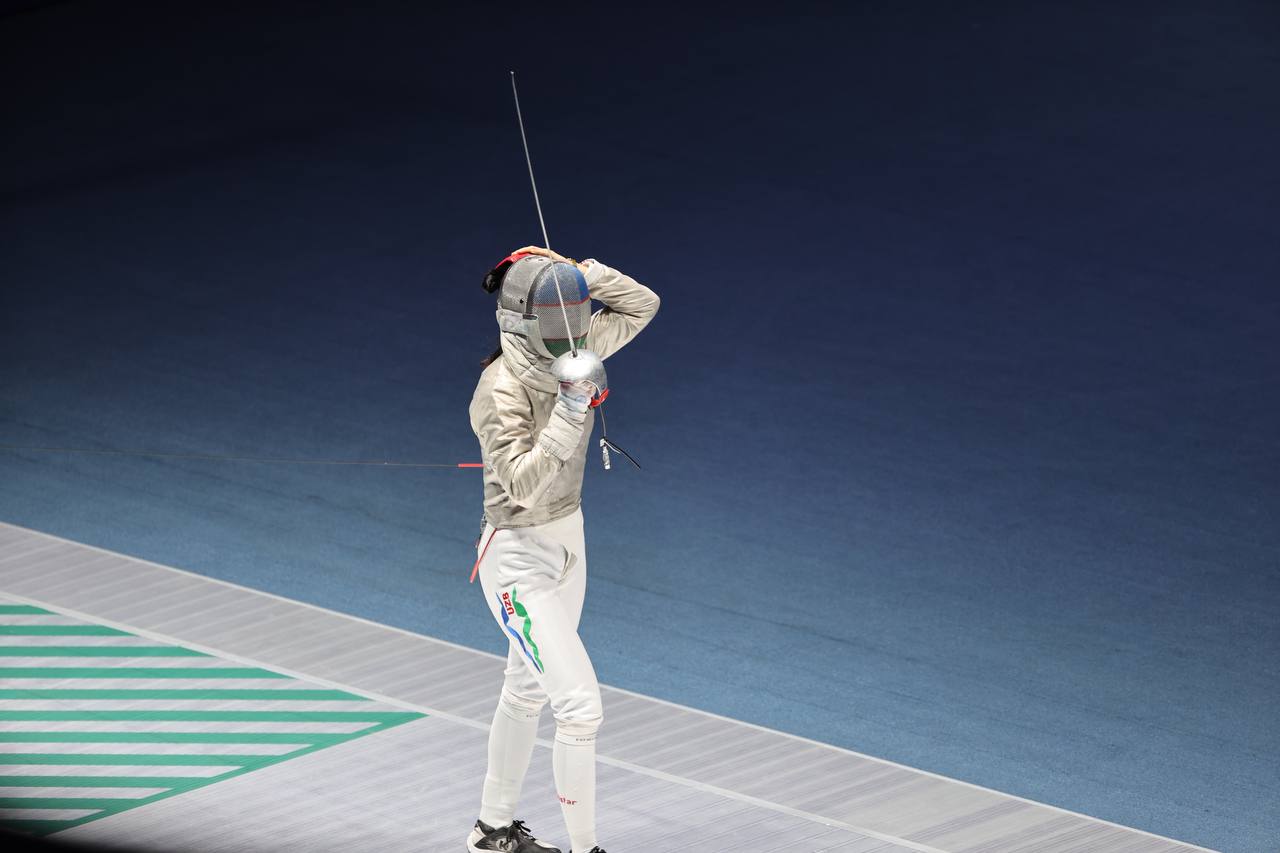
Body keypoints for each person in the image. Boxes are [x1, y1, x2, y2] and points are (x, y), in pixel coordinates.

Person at [466, 245, 659, 853]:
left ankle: (492, 834)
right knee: (579, 707)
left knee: (526, 689)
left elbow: (642, 304)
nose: (573, 330)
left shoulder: (572, 350)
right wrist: (572, 408)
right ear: (524, 321)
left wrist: (578, 272)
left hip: (569, 540)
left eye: (576, 313)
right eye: (559, 315)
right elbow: (522, 486)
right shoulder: (498, 389)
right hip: (518, 560)